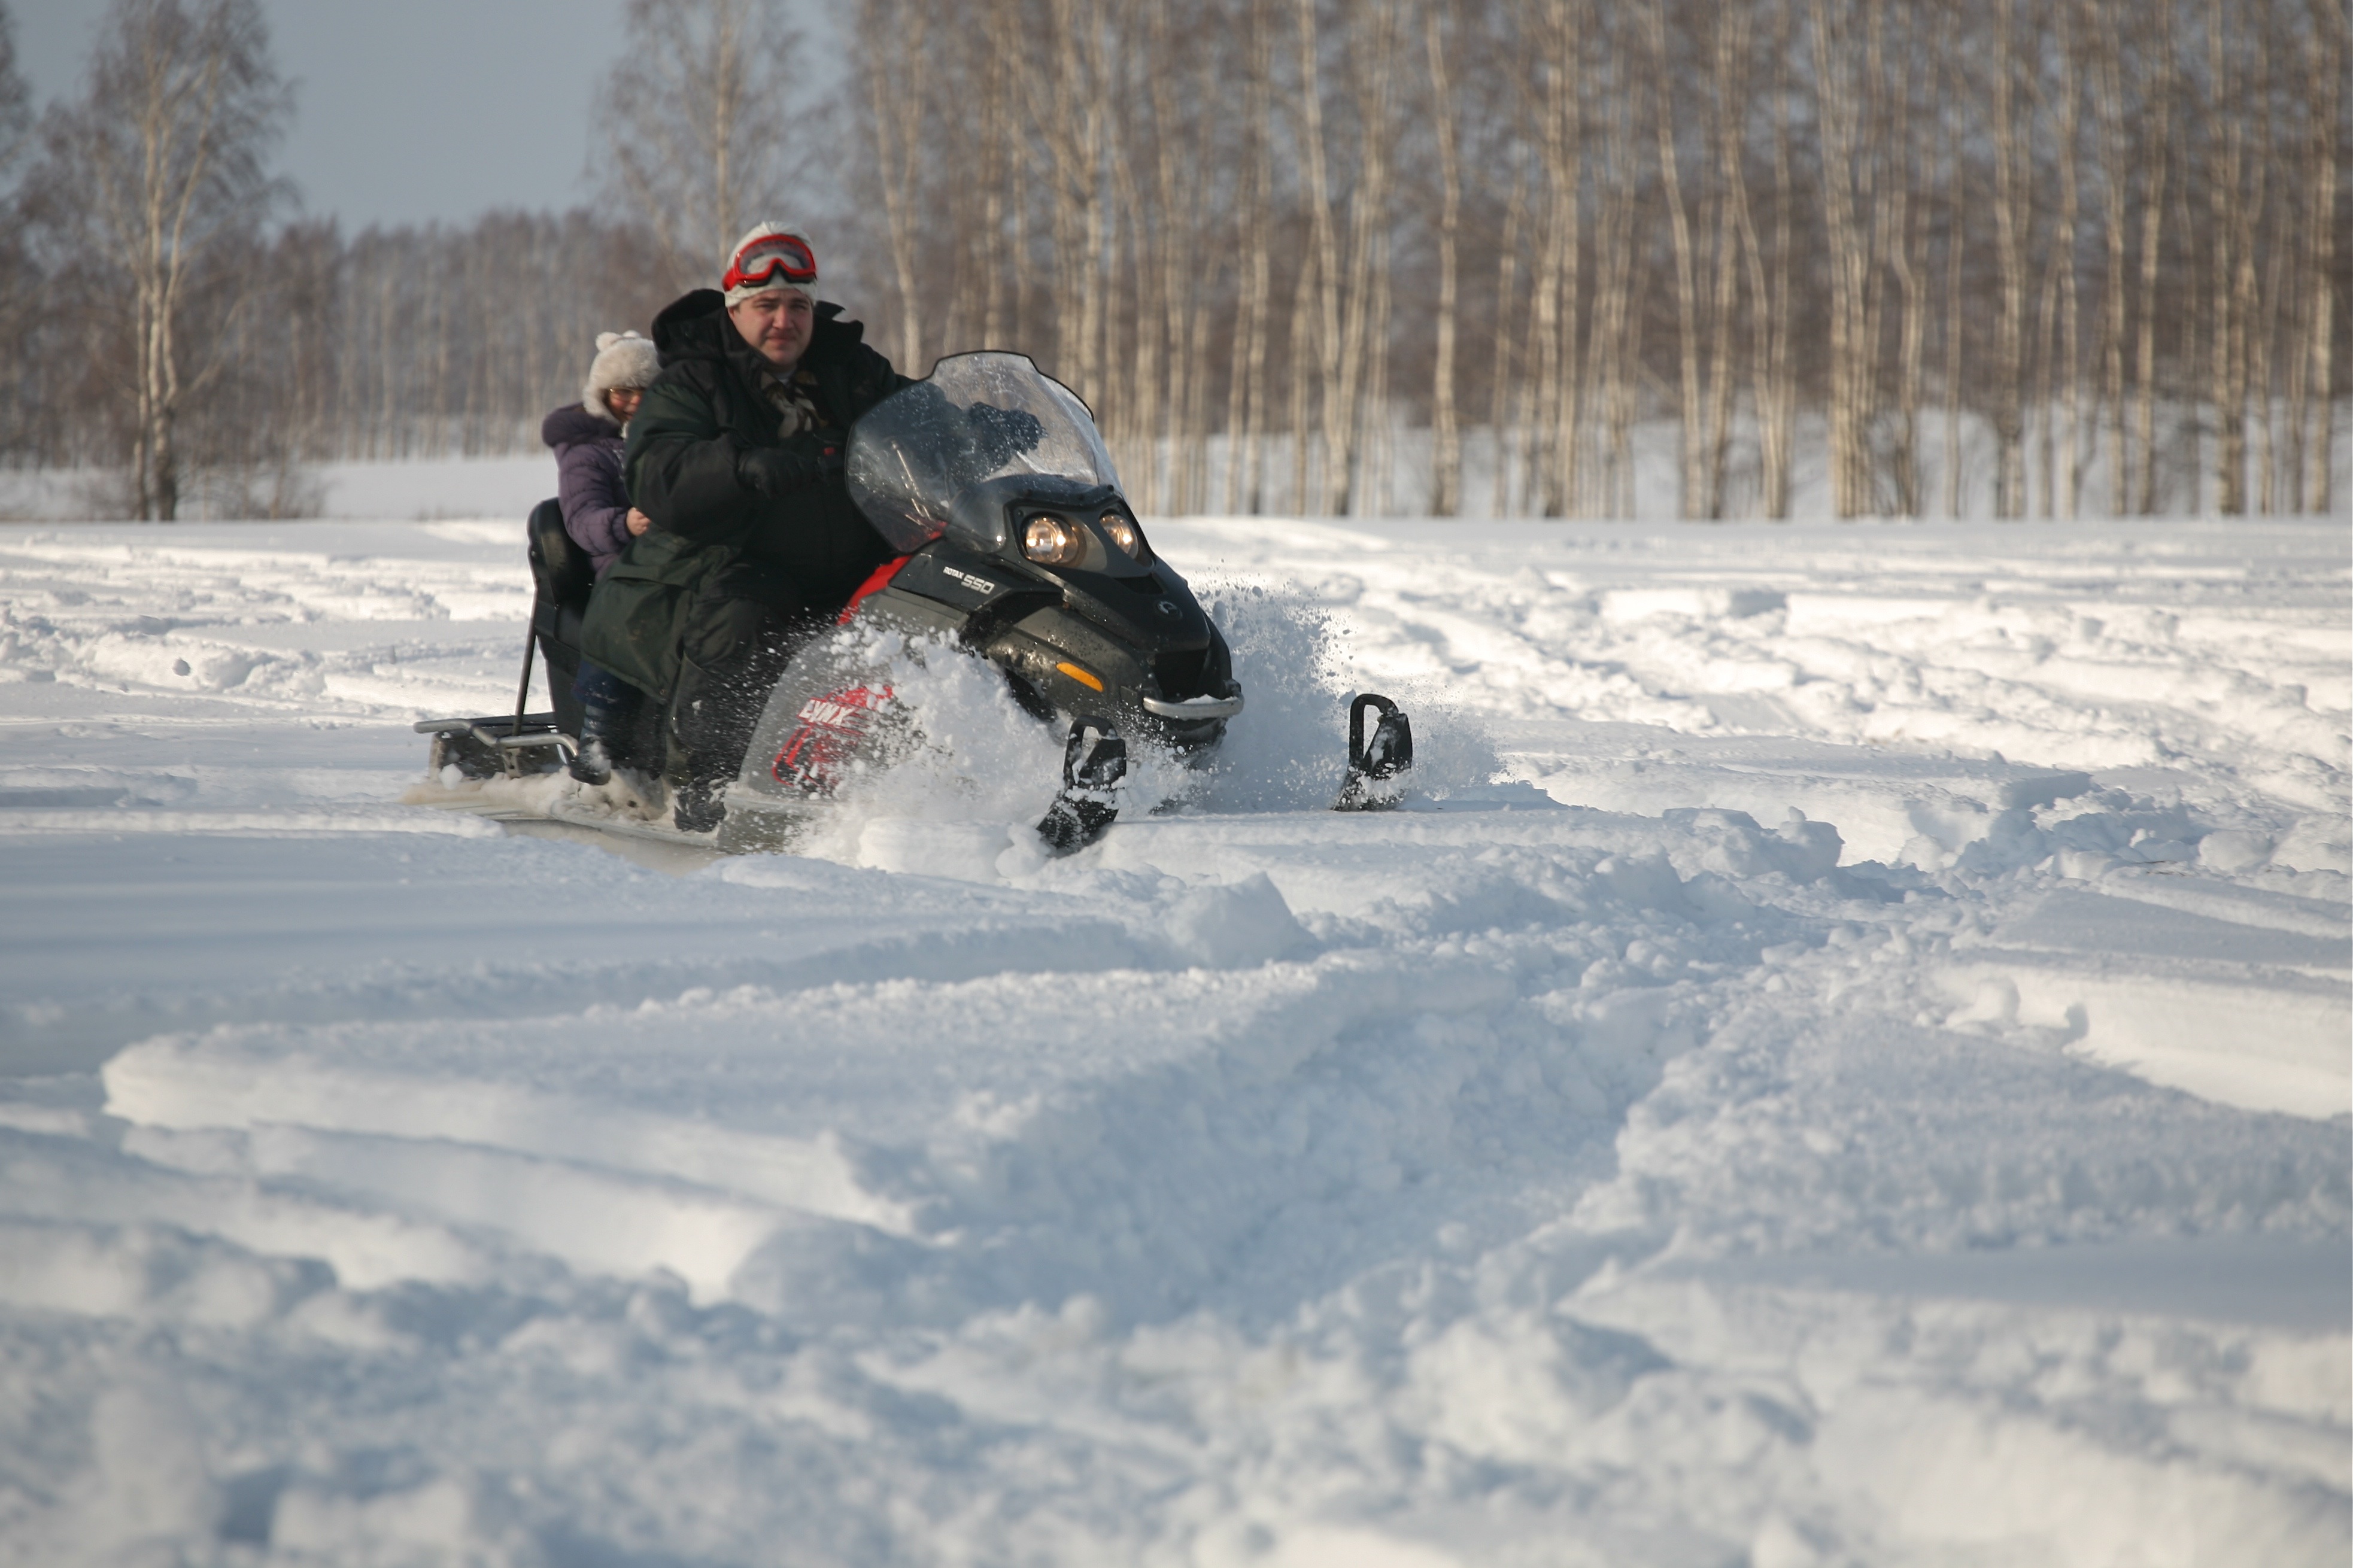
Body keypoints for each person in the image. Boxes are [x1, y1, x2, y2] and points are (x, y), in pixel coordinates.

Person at [581, 223, 915, 832]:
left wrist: (975, 423)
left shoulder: (851, 368)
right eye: (767, 305)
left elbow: (911, 412)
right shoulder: (693, 380)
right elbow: (657, 470)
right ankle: (707, 781)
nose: (783, 320)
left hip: (857, 557)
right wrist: (739, 466)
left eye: (797, 306)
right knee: (741, 618)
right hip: (730, 556)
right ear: (734, 310)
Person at [542, 330, 658, 785]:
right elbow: (582, 520)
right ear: (603, 395)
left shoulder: (674, 442)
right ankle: (598, 731)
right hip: (617, 564)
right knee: (626, 608)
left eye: (645, 390)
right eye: (622, 391)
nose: (634, 401)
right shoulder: (589, 455)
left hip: (676, 559)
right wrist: (625, 523)